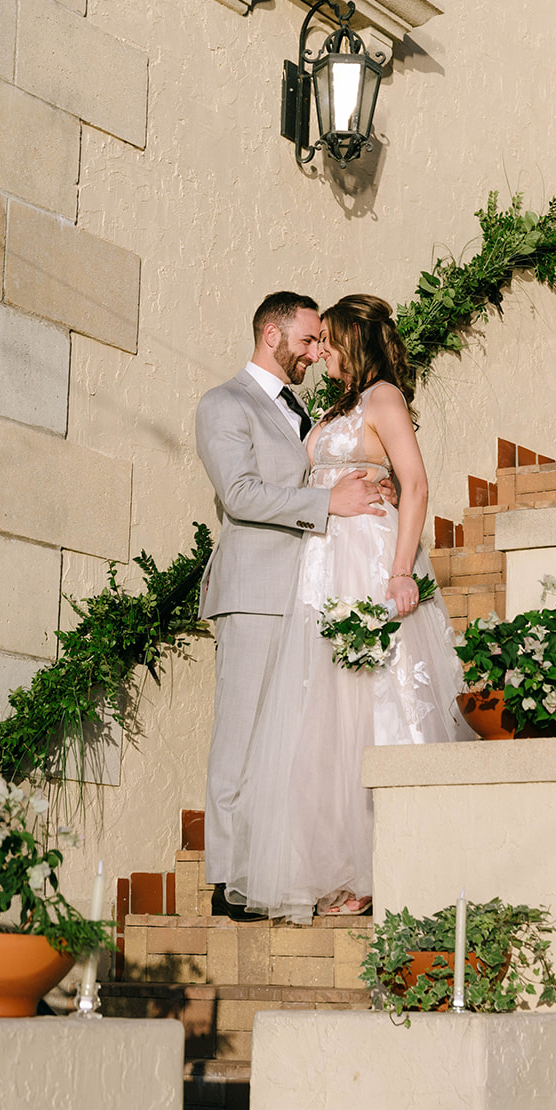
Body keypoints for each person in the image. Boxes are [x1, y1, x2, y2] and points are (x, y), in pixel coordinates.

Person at [228, 294, 470, 924]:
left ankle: (385, 864)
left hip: (367, 561)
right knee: (324, 718)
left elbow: (414, 483)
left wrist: (399, 570)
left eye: (328, 339)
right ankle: (339, 866)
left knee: (377, 707)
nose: (321, 350)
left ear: (352, 341)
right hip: (321, 567)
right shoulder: (330, 407)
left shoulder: (383, 398)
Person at [195, 291, 389, 919]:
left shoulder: (303, 411)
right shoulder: (224, 403)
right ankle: (228, 879)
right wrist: (328, 504)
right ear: (272, 334)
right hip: (254, 595)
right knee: (241, 737)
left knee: (289, 743)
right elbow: (242, 494)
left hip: (307, 597)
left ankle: (270, 869)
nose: (315, 353)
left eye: (320, 343)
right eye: (307, 340)